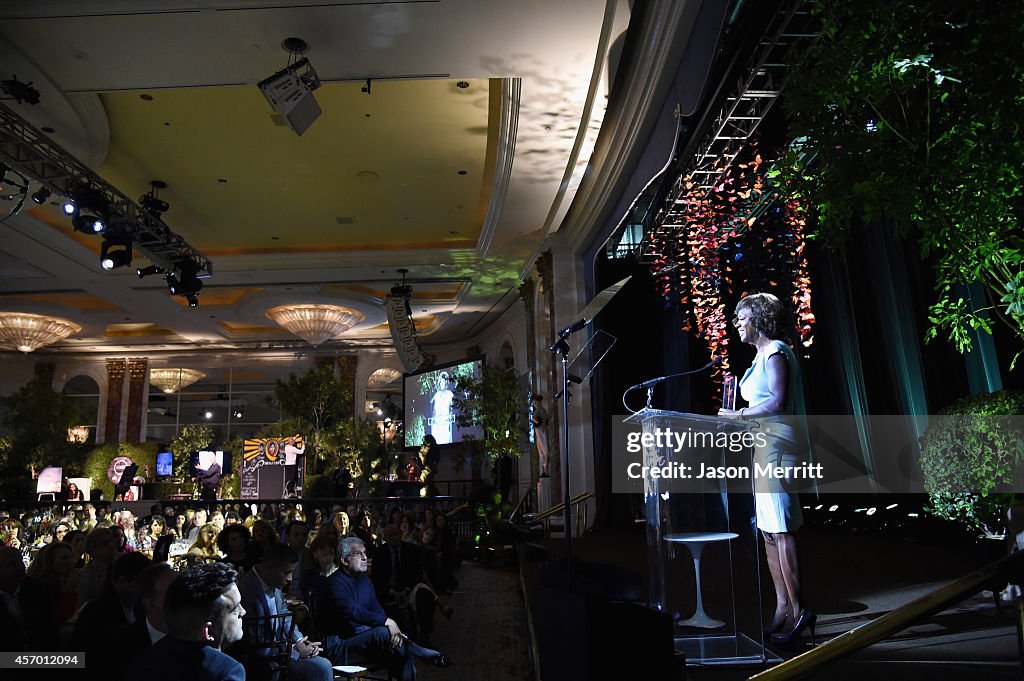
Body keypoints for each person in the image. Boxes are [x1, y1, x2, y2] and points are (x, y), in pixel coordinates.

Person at [718, 292, 813, 645]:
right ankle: (782, 607)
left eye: (741, 317)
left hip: (778, 447)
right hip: (762, 448)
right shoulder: (757, 357)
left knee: (782, 528)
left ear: (758, 319)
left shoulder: (775, 351)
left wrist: (738, 414)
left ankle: (801, 611)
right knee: (769, 532)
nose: (736, 323)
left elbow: (777, 400)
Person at [313, 536, 452, 681]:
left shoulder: (365, 581)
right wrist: (388, 622)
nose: (365, 557)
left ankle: (418, 654)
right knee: (384, 633)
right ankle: (426, 654)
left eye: (365, 553)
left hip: (367, 640)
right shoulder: (333, 583)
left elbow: (377, 611)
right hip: (340, 647)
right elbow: (353, 612)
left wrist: (394, 633)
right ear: (344, 560)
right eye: (358, 554)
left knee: (399, 648)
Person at [125, 562, 246, 681]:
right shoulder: (226, 672)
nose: (243, 612)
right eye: (235, 609)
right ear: (208, 631)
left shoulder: (142, 664)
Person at [234, 543, 333, 681]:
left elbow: (285, 617)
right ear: (269, 567)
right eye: (286, 572)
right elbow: (254, 642)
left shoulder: (273, 582)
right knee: (322, 667)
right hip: (263, 662)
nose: (290, 578)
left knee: (323, 665)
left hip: (281, 653)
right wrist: (294, 652)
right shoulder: (246, 590)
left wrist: (299, 641)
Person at [429, 373, 455, 444]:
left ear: (446, 382)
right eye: (440, 382)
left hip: (445, 421)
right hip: (437, 422)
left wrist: (450, 415)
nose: (442, 383)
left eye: (443, 381)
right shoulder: (437, 394)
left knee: (445, 440)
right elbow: (434, 409)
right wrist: (433, 419)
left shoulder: (450, 394)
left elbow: (452, 407)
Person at [531, 394, 550, 477]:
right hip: (540, 431)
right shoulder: (541, 410)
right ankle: (545, 469)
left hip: (541, 431)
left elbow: (534, 418)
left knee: (544, 449)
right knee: (542, 450)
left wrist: (538, 422)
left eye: (535, 402)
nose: (534, 404)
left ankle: (546, 469)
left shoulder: (540, 410)